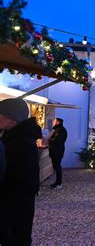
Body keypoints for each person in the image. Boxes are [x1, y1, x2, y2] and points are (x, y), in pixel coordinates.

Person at [0, 98, 41, 245]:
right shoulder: (15, 136)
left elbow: (22, 179)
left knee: (16, 236)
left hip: (15, 202)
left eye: (1, 114)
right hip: (14, 201)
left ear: (13, 119)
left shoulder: (21, 142)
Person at [48, 118, 68, 189]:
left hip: (57, 151)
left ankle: (58, 184)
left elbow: (57, 140)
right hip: (57, 150)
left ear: (58, 122)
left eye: (54, 121)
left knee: (57, 166)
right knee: (56, 166)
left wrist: (49, 139)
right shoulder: (58, 129)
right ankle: (57, 183)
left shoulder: (60, 130)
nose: (53, 122)